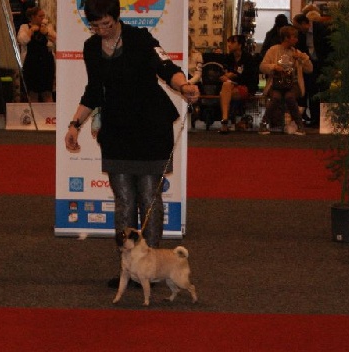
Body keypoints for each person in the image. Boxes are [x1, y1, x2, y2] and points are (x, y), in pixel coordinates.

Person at [63, 0, 199, 285]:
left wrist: (183, 85)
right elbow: (93, 90)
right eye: (96, 26)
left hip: (151, 128)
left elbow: (166, 67)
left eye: (107, 24)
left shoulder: (140, 38)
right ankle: (128, 269)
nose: (102, 30)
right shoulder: (91, 48)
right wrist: (74, 124)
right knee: (124, 202)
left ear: (117, 18)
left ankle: (151, 269)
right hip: (117, 131)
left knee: (149, 198)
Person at [259, 25, 312, 135]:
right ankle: (263, 124)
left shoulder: (297, 53)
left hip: (293, 84)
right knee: (275, 97)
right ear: (286, 38)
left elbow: (309, 69)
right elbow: (262, 67)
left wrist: (302, 58)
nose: (296, 40)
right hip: (276, 84)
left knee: (289, 96)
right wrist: (274, 67)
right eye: (294, 37)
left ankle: (300, 125)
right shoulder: (273, 50)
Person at [293, 13, 331, 128]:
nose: (297, 30)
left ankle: (325, 119)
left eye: (297, 26)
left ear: (304, 23)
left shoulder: (322, 29)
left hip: (324, 64)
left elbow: (329, 47)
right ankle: (315, 119)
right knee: (312, 92)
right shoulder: (301, 34)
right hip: (310, 65)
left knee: (324, 91)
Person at [218, 34, 259, 133]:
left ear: (240, 45)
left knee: (223, 94)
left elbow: (250, 78)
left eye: (232, 42)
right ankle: (225, 119)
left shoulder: (248, 58)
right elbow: (221, 73)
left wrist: (234, 76)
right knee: (226, 85)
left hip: (246, 87)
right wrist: (224, 77)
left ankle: (224, 121)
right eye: (229, 42)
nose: (229, 44)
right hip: (230, 86)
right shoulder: (228, 58)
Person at [17, 6, 56, 103]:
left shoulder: (48, 27)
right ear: (32, 17)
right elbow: (22, 40)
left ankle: (49, 113)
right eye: (40, 16)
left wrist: (46, 33)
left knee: (47, 93)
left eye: (43, 16)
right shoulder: (24, 27)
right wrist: (31, 31)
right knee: (32, 93)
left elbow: (57, 40)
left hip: (46, 63)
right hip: (31, 63)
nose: (43, 18)